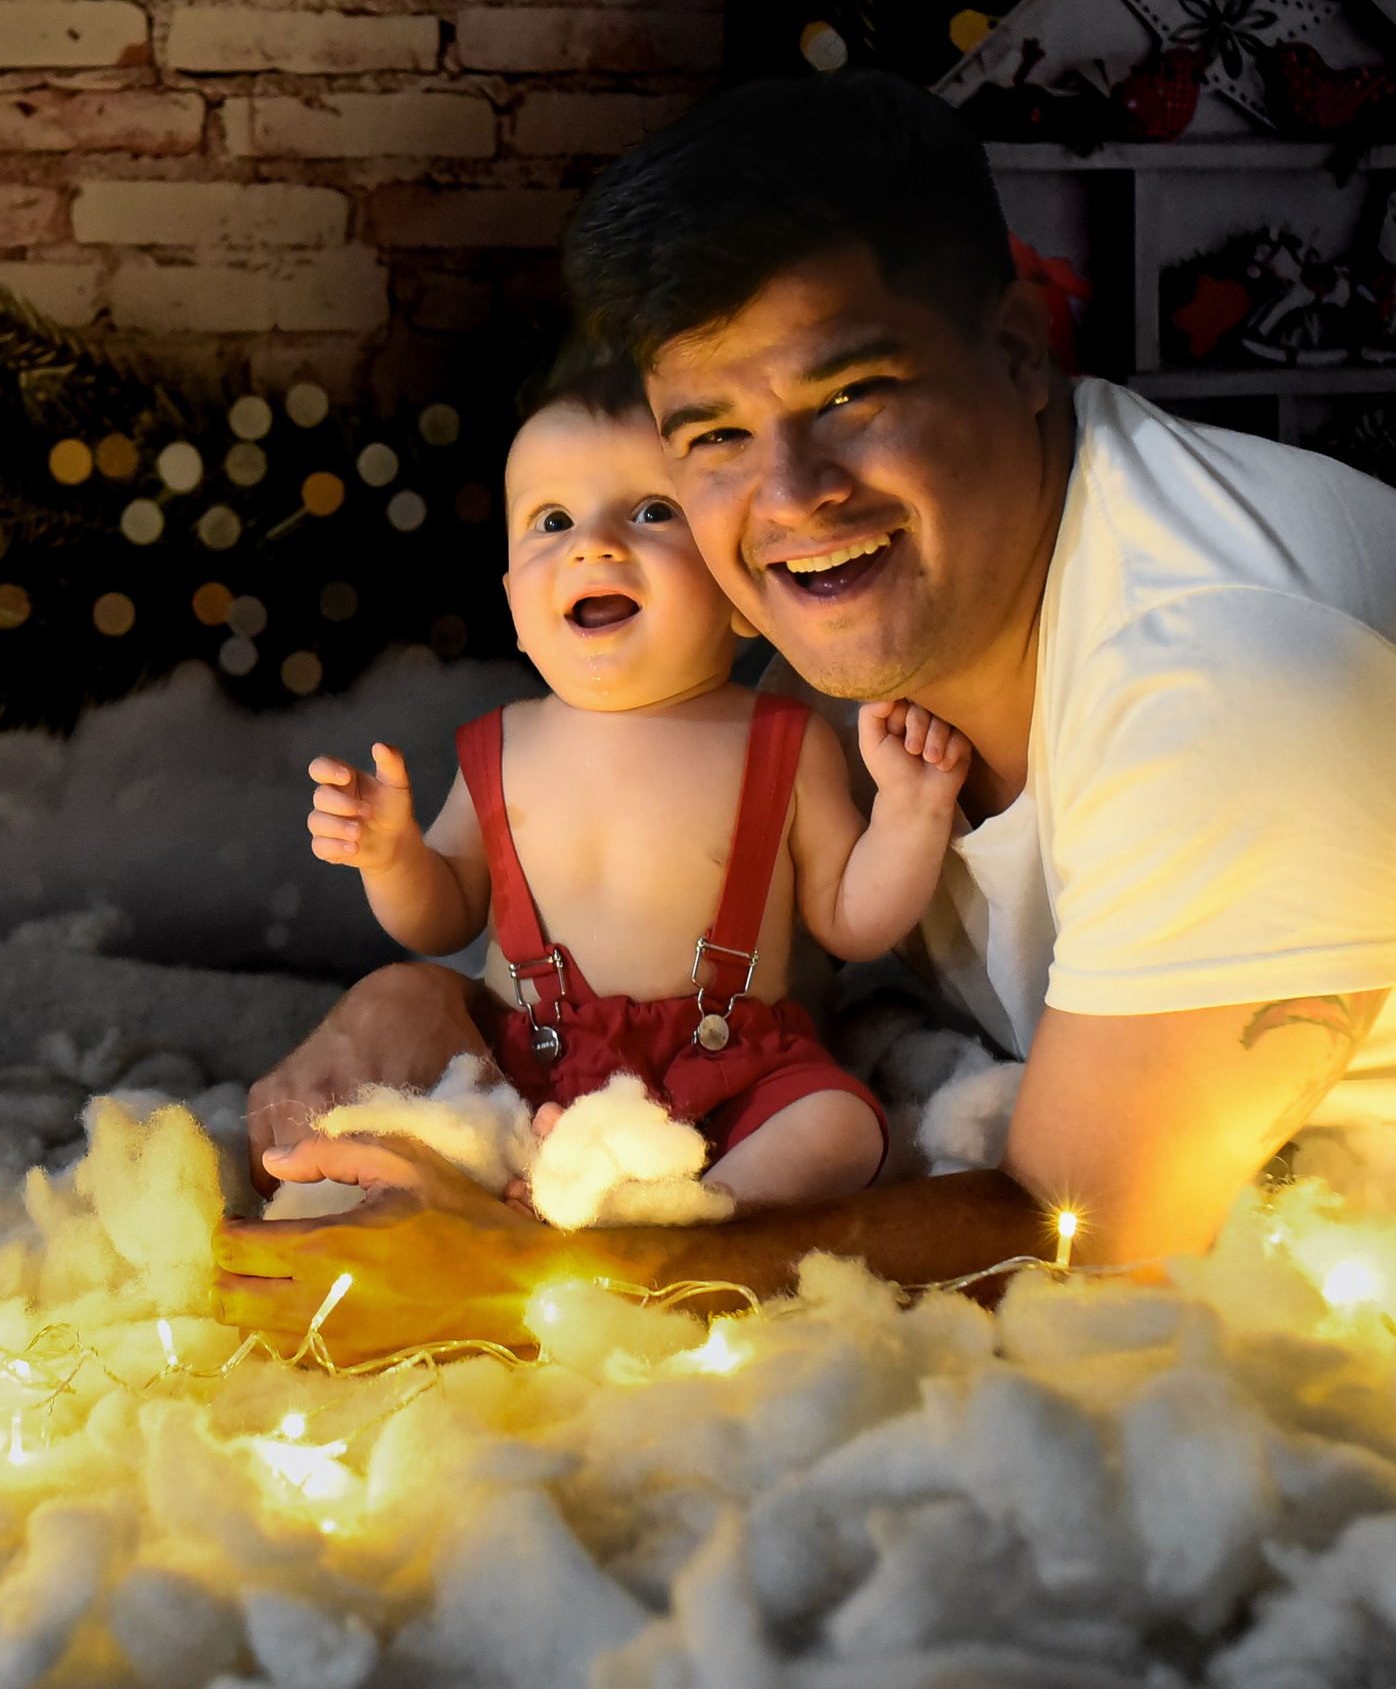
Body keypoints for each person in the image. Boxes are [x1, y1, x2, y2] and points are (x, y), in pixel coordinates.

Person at [215, 69, 1396, 1365]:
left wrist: (538, 1278)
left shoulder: (1233, 683)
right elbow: (721, 999)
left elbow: (1084, 1232)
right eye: (712, 437)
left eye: (855, 393)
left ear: (1022, 353)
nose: (789, 497)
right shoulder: (837, 643)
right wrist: (428, 995)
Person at [304, 365, 971, 1208]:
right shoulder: (500, 747)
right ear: (513, 602)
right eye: (551, 520)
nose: (594, 544)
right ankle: (566, 1200)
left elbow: (853, 920)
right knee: (439, 1130)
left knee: (842, 1125)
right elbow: (442, 918)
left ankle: (696, 1215)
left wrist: (912, 811)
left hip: (733, 1070)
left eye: (654, 512)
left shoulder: (780, 740)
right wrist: (392, 854)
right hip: (538, 1077)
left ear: (740, 592)